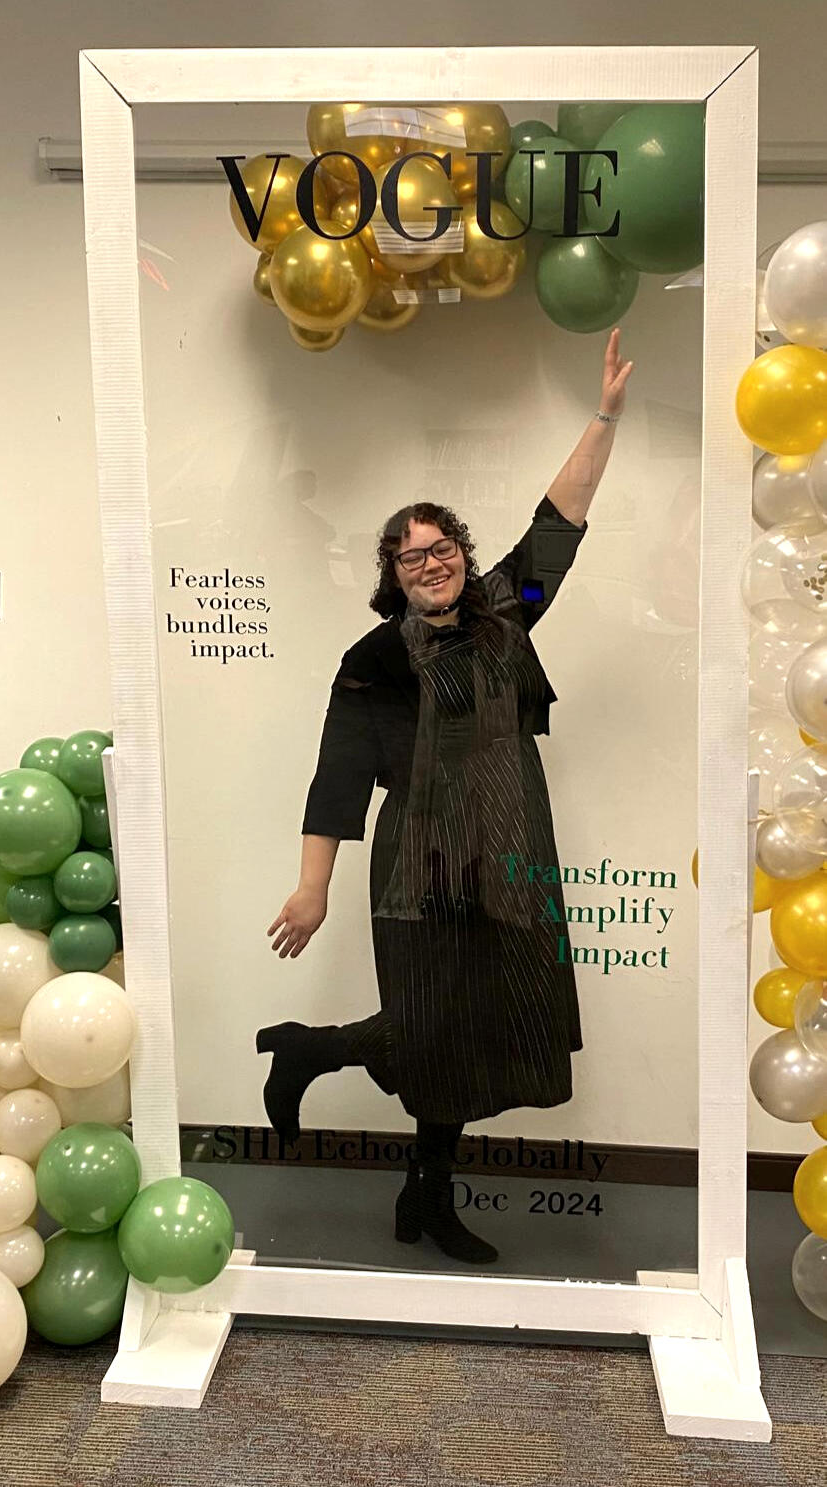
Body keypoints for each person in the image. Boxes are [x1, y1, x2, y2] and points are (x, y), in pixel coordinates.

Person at [257, 329, 634, 1266]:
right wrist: (312, 887)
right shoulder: (374, 659)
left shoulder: (508, 613)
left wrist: (604, 417)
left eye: (443, 547)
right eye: (411, 557)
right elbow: (337, 778)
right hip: (420, 860)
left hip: (510, 845)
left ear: (464, 552)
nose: (432, 564)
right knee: (435, 1021)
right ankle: (343, 1086)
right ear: (391, 576)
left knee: (491, 1018)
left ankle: (407, 1171)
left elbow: (560, 521)